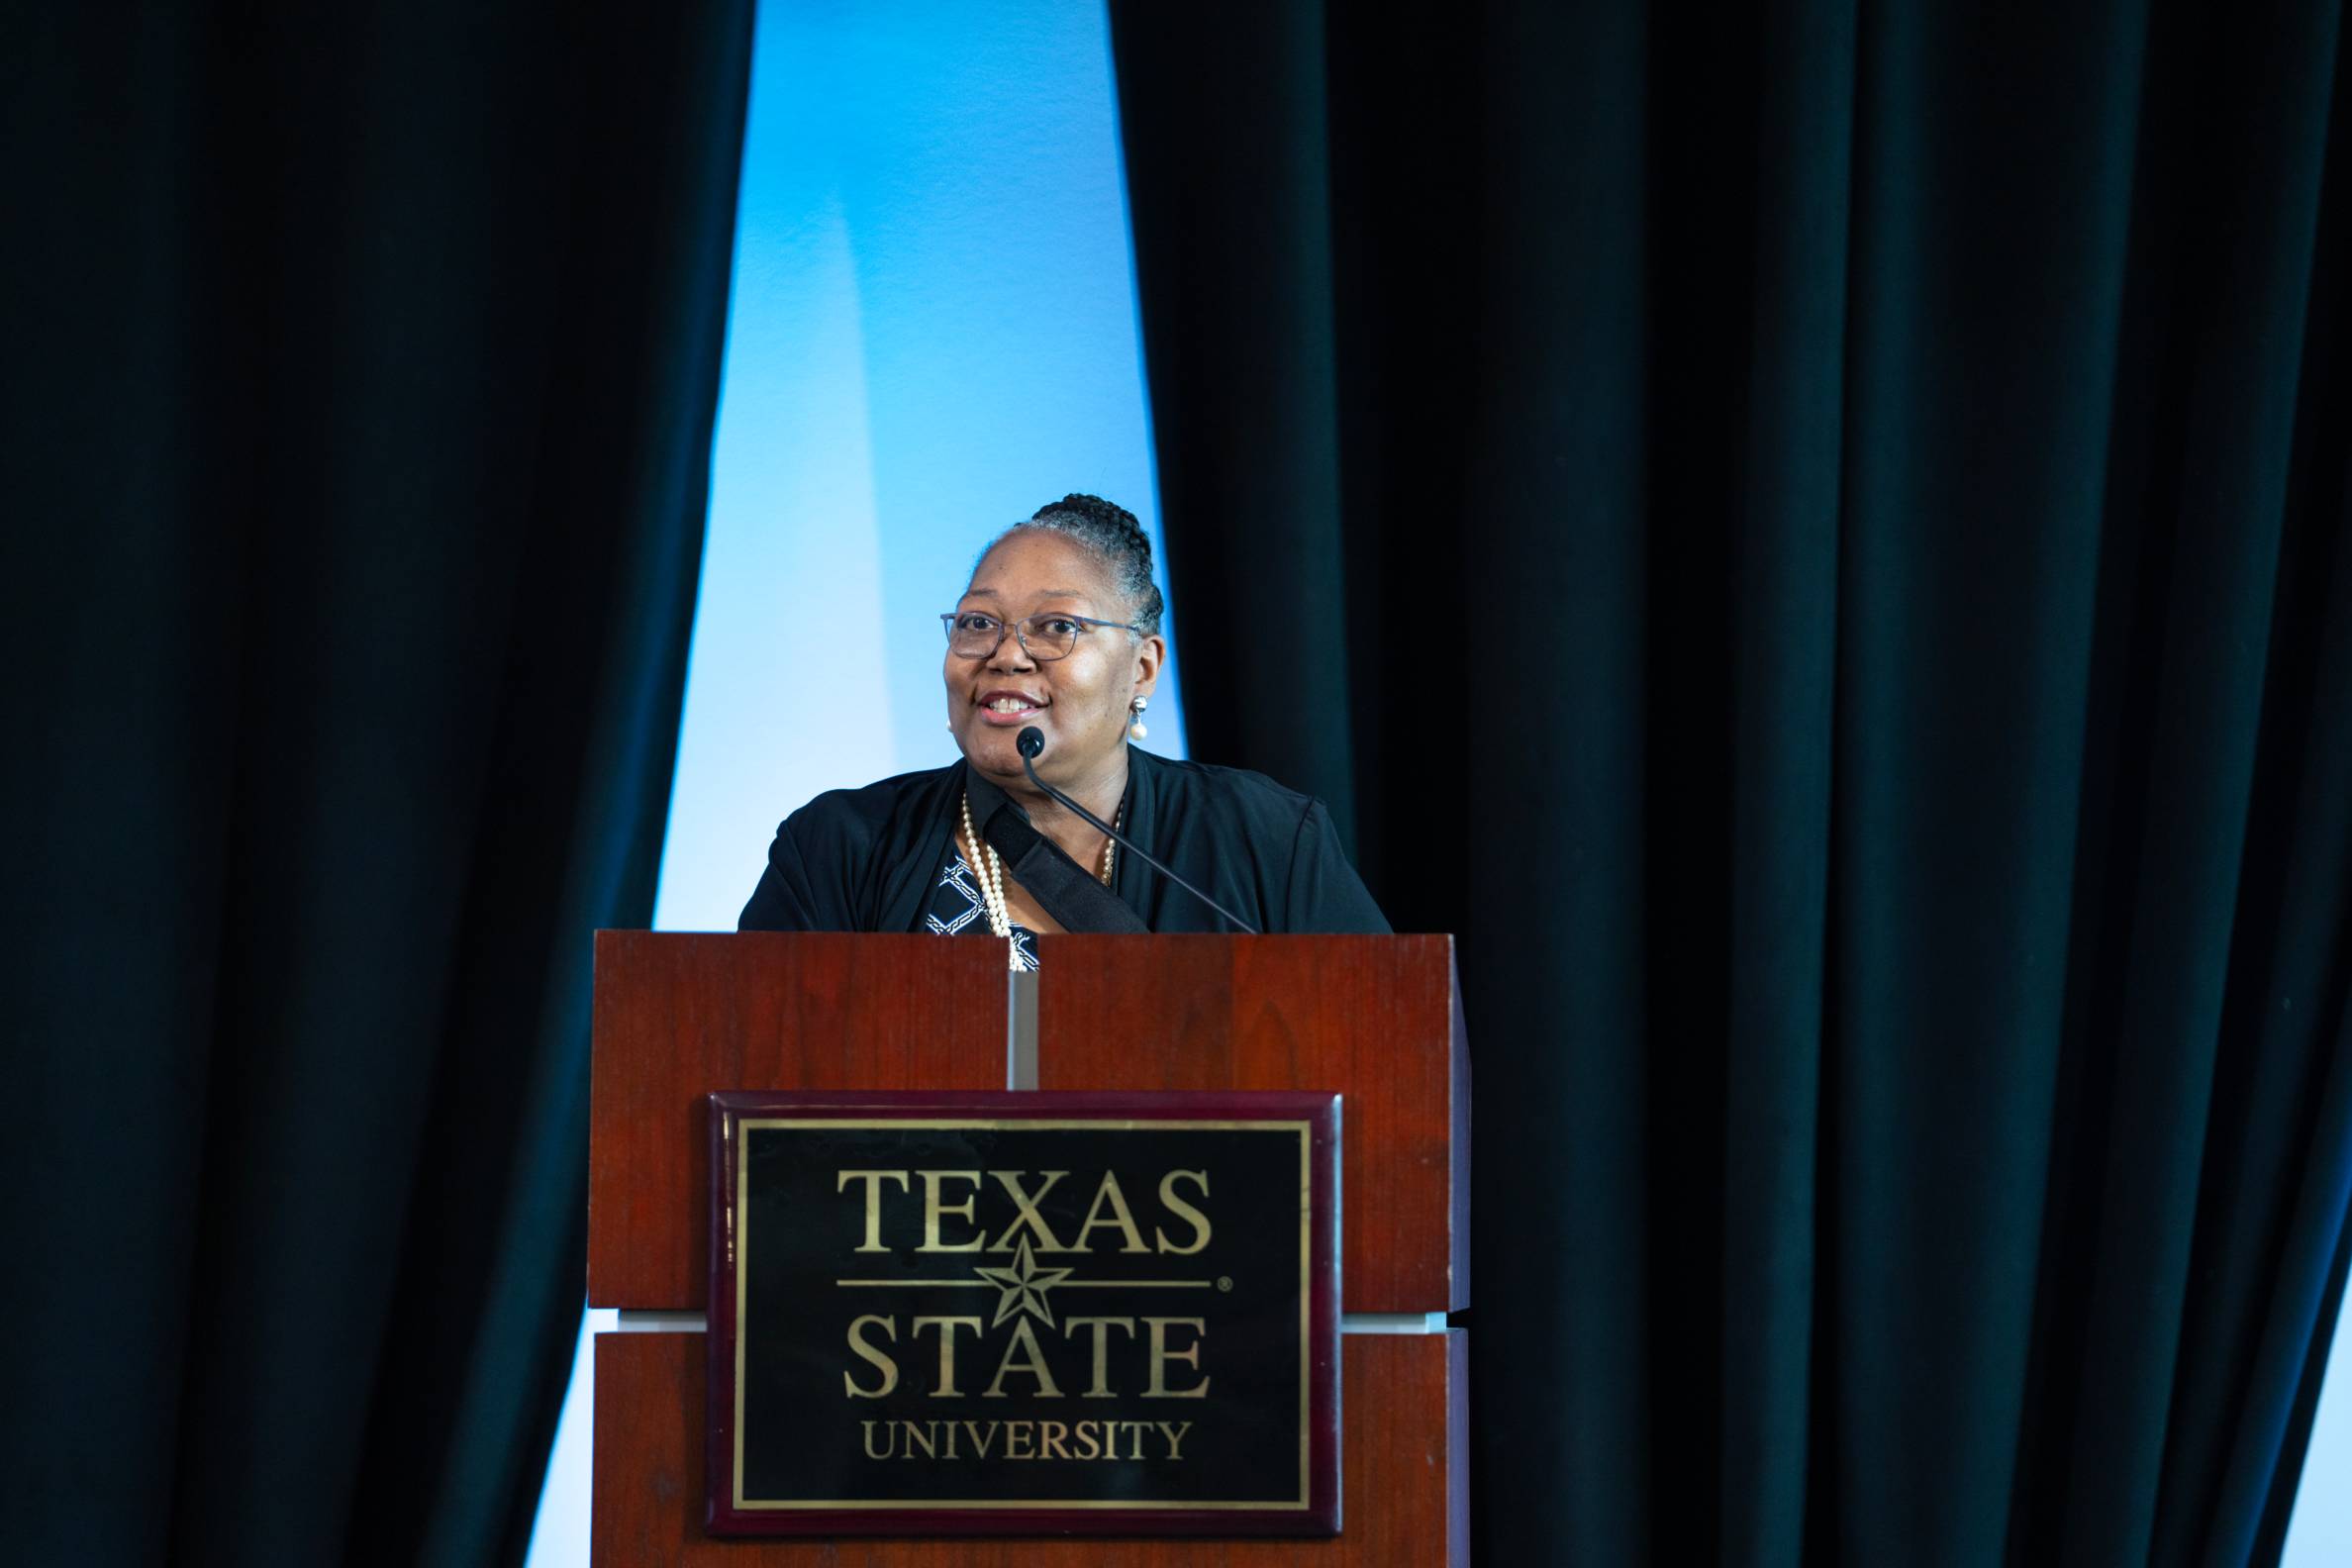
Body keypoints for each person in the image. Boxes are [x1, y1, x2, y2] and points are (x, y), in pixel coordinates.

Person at [737, 493, 1389, 963]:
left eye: (1057, 628)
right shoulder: (842, 848)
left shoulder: (1264, 840)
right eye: (977, 622)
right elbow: (758, 1088)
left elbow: (1382, 1059)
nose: (1006, 654)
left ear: (1141, 668)